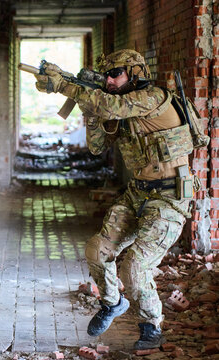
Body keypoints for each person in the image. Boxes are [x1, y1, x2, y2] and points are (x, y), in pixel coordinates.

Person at [34, 49, 196, 350]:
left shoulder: (152, 97)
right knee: (97, 250)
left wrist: (67, 87)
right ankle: (112, 303)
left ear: (135, 72)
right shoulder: (116, 107)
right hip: (138, 193)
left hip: (170, 198)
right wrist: (89, 108)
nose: (108, 78)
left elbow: (111, 106)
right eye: (105, 74)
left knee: (134, 267)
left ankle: (151, 325)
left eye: (115, 73)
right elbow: (96, 146)